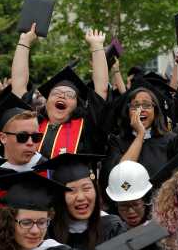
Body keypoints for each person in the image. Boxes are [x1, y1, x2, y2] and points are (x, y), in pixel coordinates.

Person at [34, 153, 127, 250]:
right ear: (59, 197)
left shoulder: (112, 228)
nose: (81, 197)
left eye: (86, 188)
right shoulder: (48, 235)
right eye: (72, 191)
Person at [11, 24, 109, 158]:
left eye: (70, 95)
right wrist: (24, 41)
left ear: (76, 105)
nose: (62, 95)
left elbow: (101, 91)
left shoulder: (85, 128)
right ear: (46, 101)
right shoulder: (32, 123)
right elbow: (18, 87)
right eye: (56, 93)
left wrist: (97, 47)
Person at [0, 94, 46, 173]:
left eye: (36, 137)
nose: (30, 143)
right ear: (3, 138)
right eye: (22, 136)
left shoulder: (47, 170)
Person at [105, 160, 152, 228]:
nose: (131, 211)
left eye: (135, 204)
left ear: (146, 201)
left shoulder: (162, 226)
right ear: (116, 205)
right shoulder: (109, 230)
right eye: (124, 206)